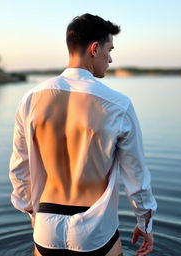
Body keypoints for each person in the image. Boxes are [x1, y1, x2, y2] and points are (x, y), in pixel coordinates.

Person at [9, 13, 157, 256]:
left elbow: (19, 169)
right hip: (95, 228)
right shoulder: (118, 105)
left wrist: (33, 214)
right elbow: (137, 177)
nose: (110, 58)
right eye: (109, 49)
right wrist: (145, 223)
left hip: (46, 224)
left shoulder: (31, 99)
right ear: (95, 48)